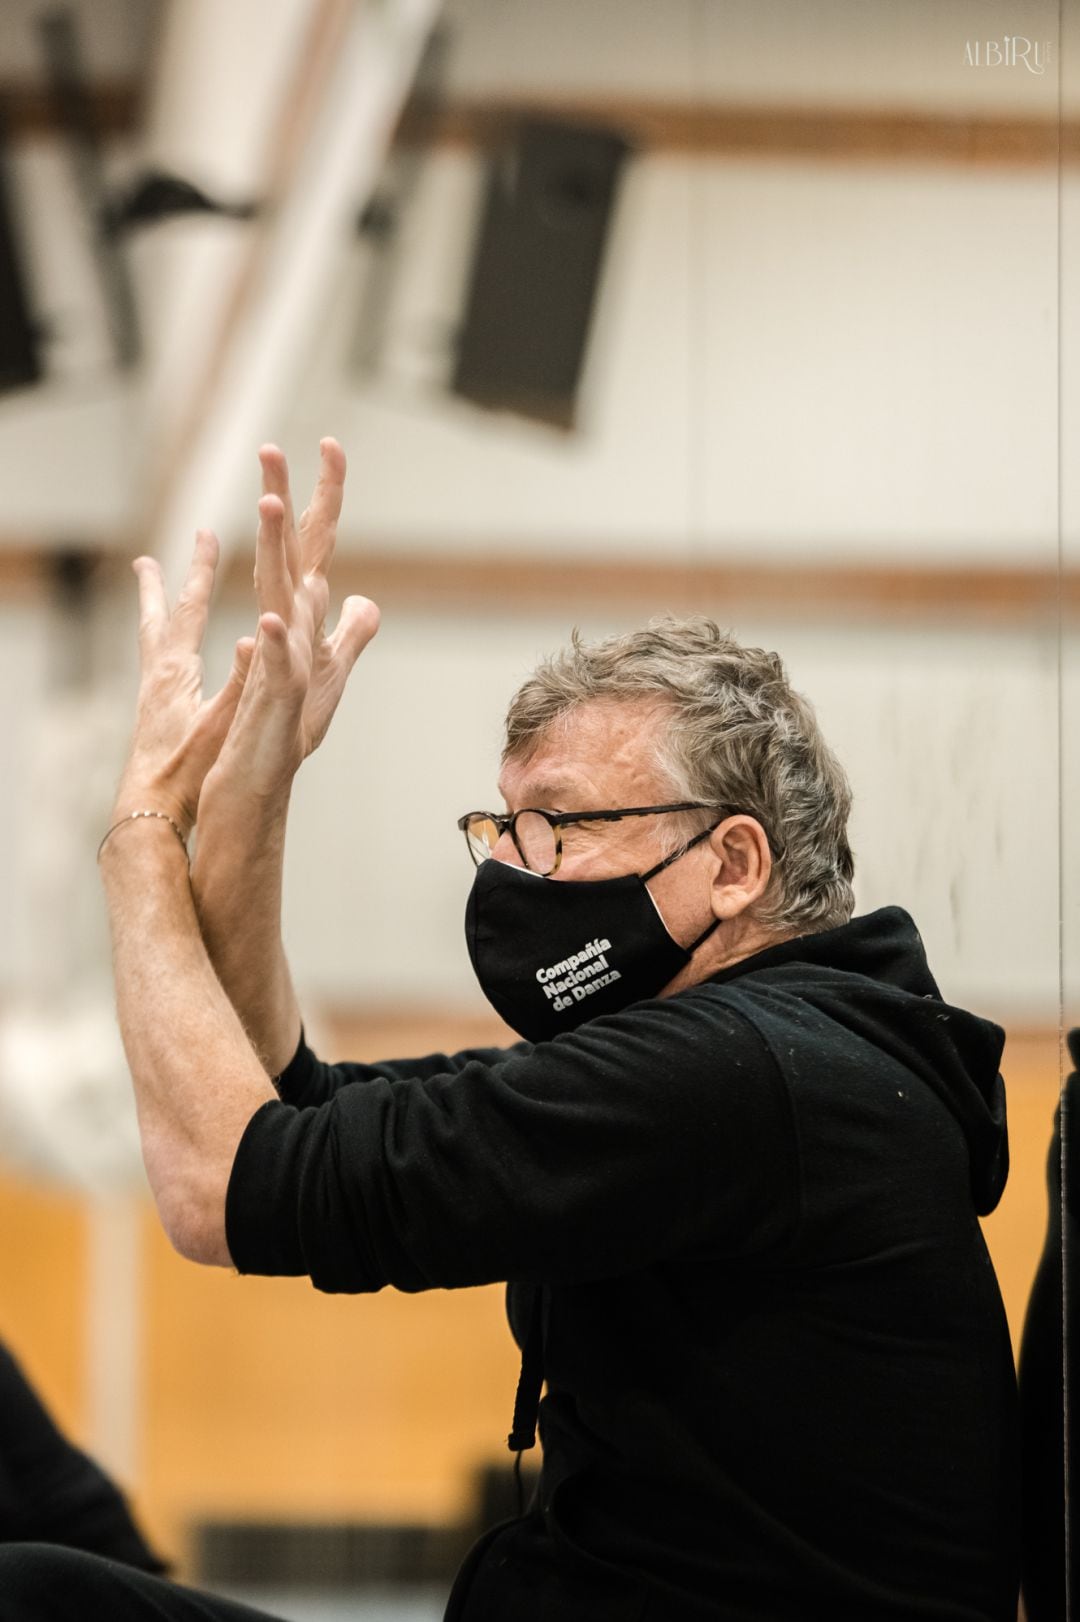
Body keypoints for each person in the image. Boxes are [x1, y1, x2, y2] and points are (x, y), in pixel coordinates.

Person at [0, 440, 1020, 1620]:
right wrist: (253, 784)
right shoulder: (767, 1060)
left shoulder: (739, 1077)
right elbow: (289, 1102)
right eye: (508, 828)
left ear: (734, 864)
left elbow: (223, 1180)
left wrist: (137, 832)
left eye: (564, 828)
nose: (521, 875)